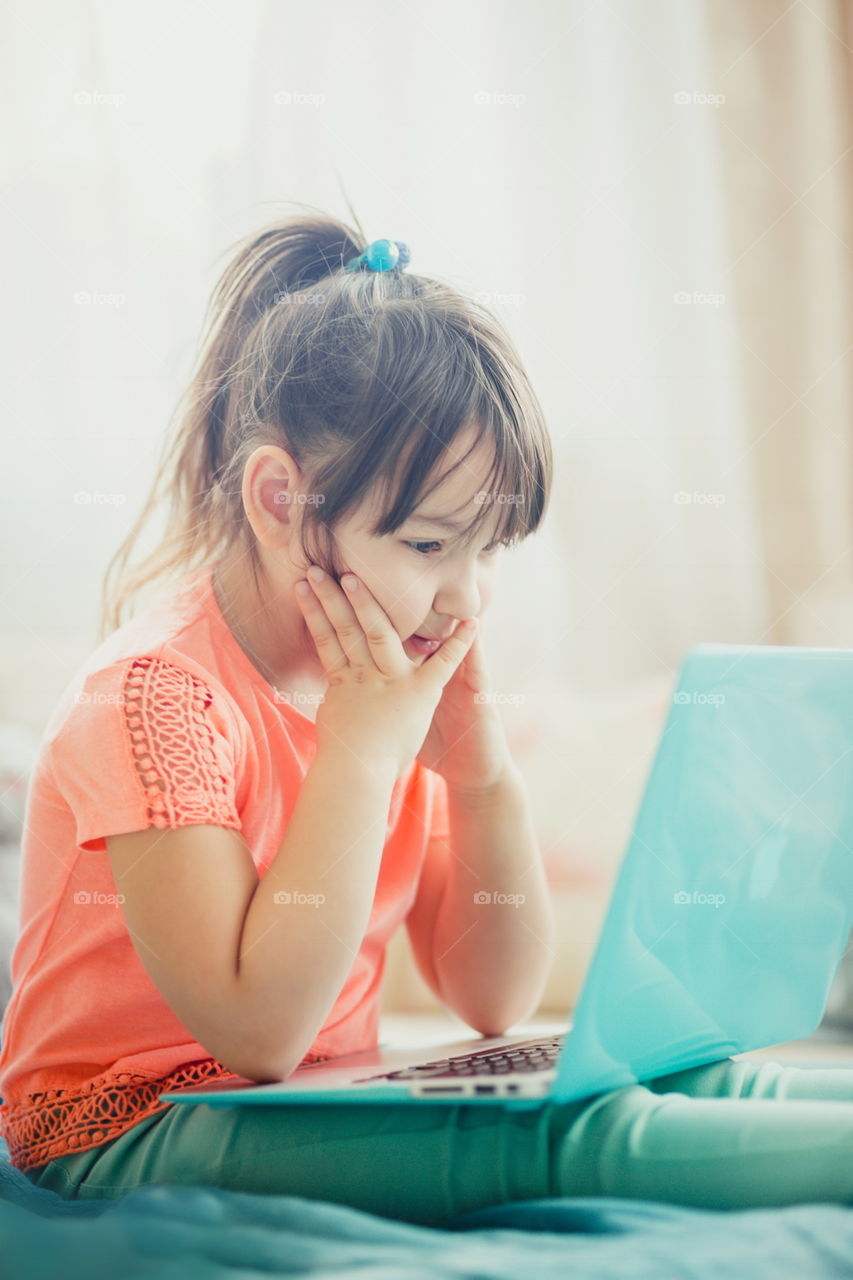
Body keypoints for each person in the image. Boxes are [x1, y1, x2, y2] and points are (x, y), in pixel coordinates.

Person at [3, 207, 853, 1229]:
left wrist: (479, 776)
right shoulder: (151, 697)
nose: (468, 596)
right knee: (556, 1136)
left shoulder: (375, 681)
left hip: (295, 1094)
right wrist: (361, 758)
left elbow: (494, 992)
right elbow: (259, 1029)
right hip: (124, 1126)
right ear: (279, 500)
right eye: (428, 545)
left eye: (489, 546)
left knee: (689, 1078)